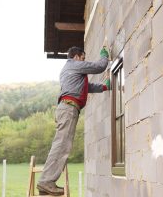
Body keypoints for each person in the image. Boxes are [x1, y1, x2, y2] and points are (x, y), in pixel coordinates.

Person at [37, 46, 110, 196]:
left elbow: (85, 87)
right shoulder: (74, 64)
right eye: (83, 58)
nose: (84, 61)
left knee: (61, 145)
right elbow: (99, 67)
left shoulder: (70, 70)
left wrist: (103, 87)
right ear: (77, 56)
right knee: (62, 146)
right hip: (68, 109)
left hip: (67, 109)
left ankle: (46, 182)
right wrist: (104, 56)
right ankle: (46, 182)